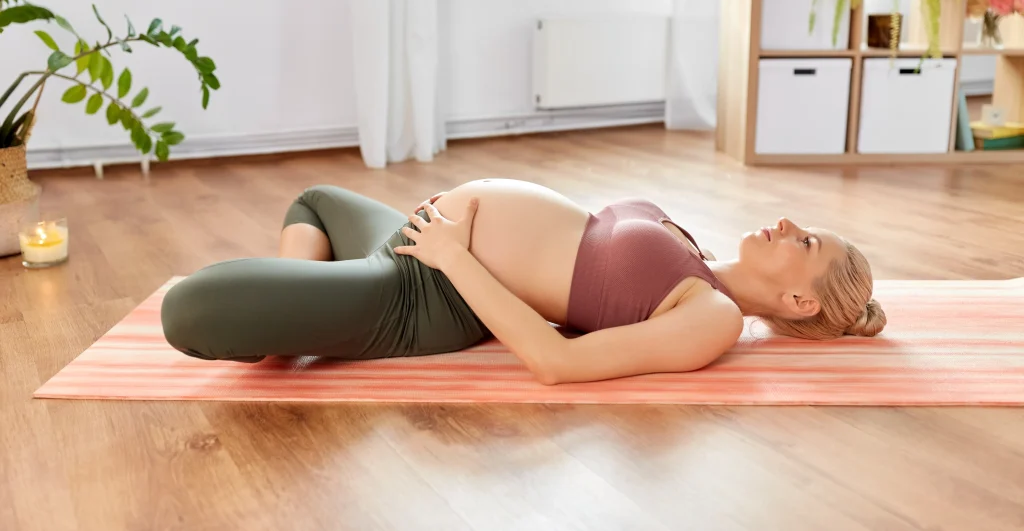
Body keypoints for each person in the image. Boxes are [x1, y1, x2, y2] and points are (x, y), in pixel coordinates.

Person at [161, 178, 885, 385]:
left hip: (424, 291)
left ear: (800, 301)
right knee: (315, 201)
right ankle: (293, 316)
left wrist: (453, 256)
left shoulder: (713, 317)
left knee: (188, 308)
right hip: (420, 241)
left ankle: (299, 310)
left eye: (806, 241)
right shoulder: (694, 252)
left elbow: (555, 361)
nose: (787, 222)